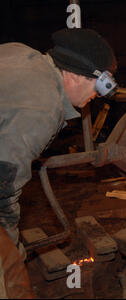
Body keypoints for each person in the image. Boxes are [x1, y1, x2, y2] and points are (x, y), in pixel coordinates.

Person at [0, 28, 117, 262]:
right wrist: (9, 256)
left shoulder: (20, 53)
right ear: (74, 74)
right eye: (99, 85)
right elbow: (3, 188)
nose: (97, 96)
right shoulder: (42, 107)